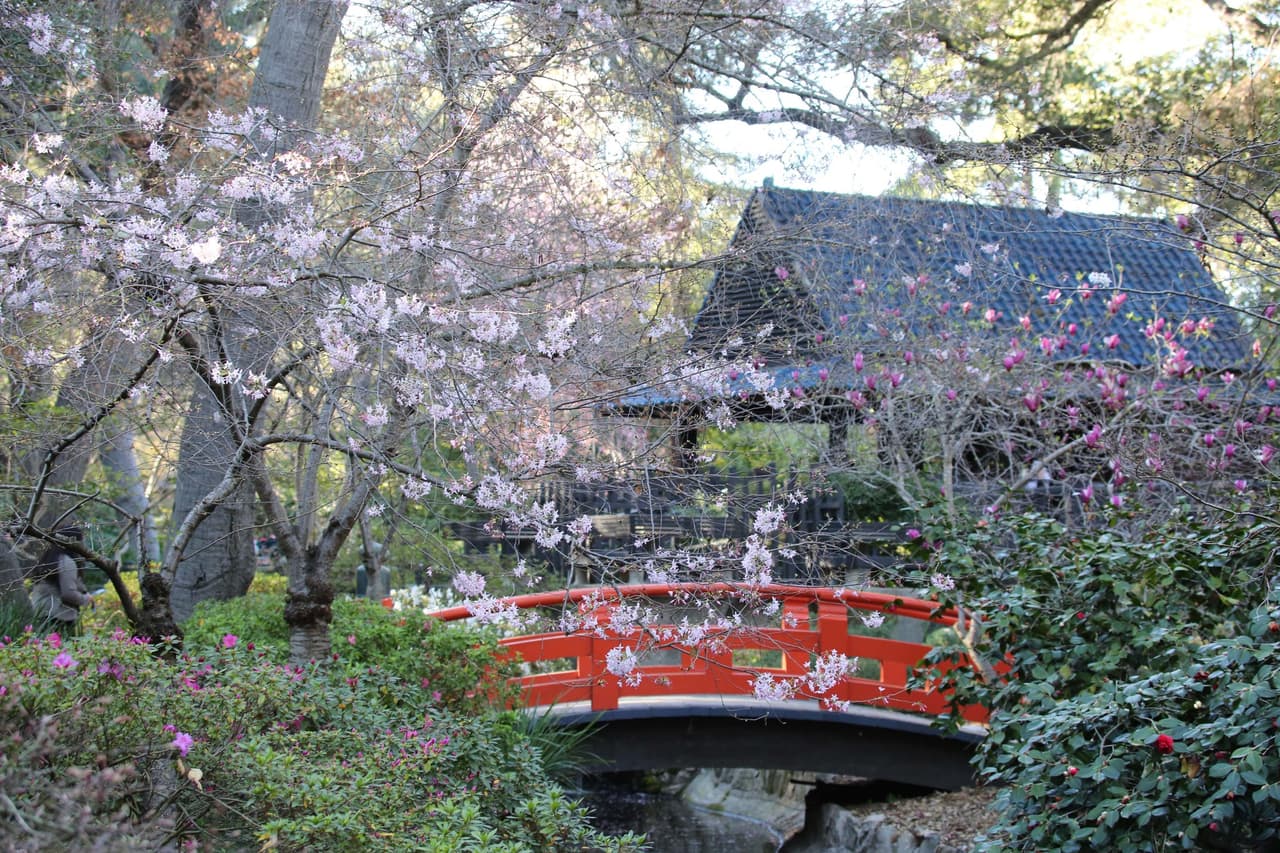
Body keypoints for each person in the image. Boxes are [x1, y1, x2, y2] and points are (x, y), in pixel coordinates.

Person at [29, 527, 92, 634]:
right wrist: (86, 598)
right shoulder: (66, 562)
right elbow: (68, 594)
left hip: (42, 614)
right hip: (59, 617)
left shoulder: (49, 559)